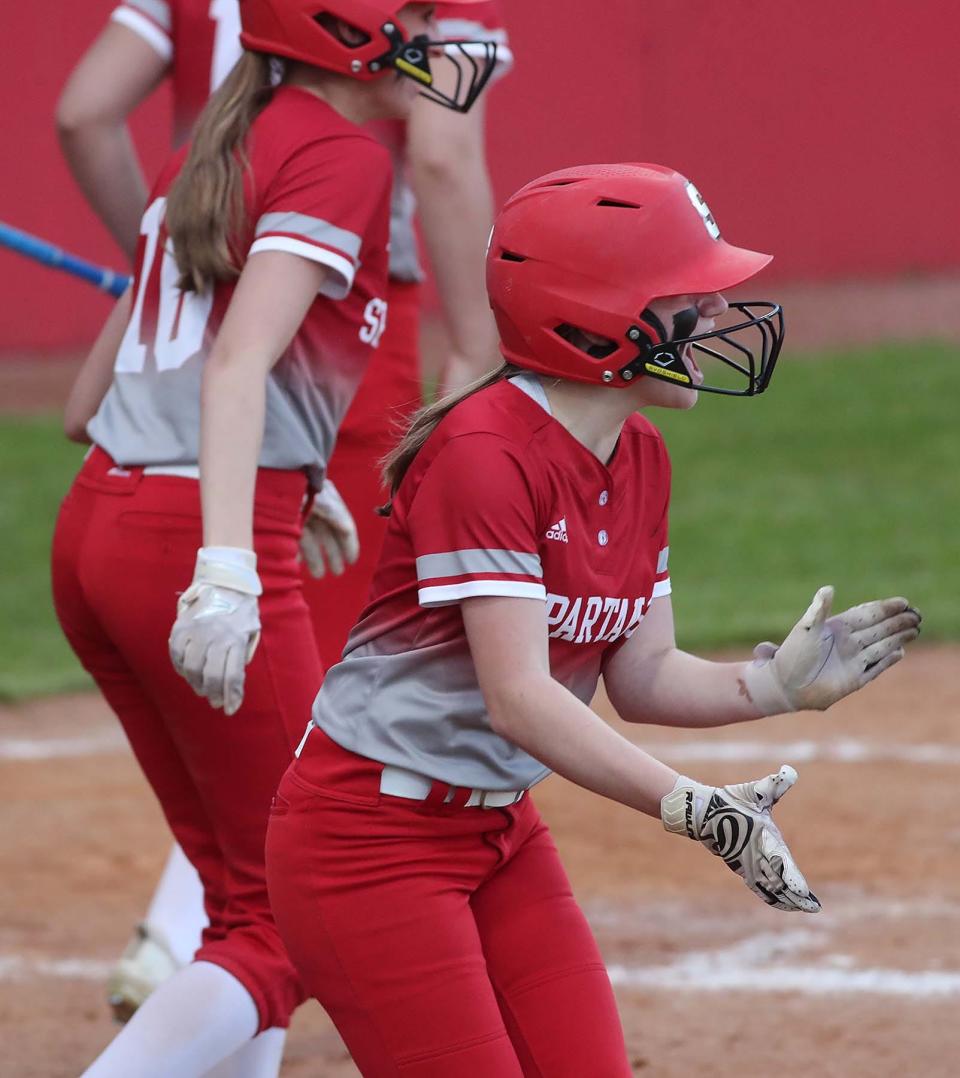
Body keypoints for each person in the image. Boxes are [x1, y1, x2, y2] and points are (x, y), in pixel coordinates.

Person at [260, 162, 922, 1076]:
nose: (718, 322)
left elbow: (641, 676)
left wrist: (771, 687)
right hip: (368, 844)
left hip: (497, 832)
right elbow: (521, 700)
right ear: (599, 319)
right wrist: (688, 805)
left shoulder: (637, 451)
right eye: (690, 301)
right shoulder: (484, 454)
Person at [51, 3, 496, 1076]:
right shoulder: (342, 158)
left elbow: (83, 406)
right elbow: (237, 364)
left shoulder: (217, 145)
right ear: (358, 47)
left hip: (98, 530)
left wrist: (298, 476)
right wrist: (226, 566)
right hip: (189, 538)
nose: (437, 52)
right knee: (295, 905)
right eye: (411, 31)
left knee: (243, 898)